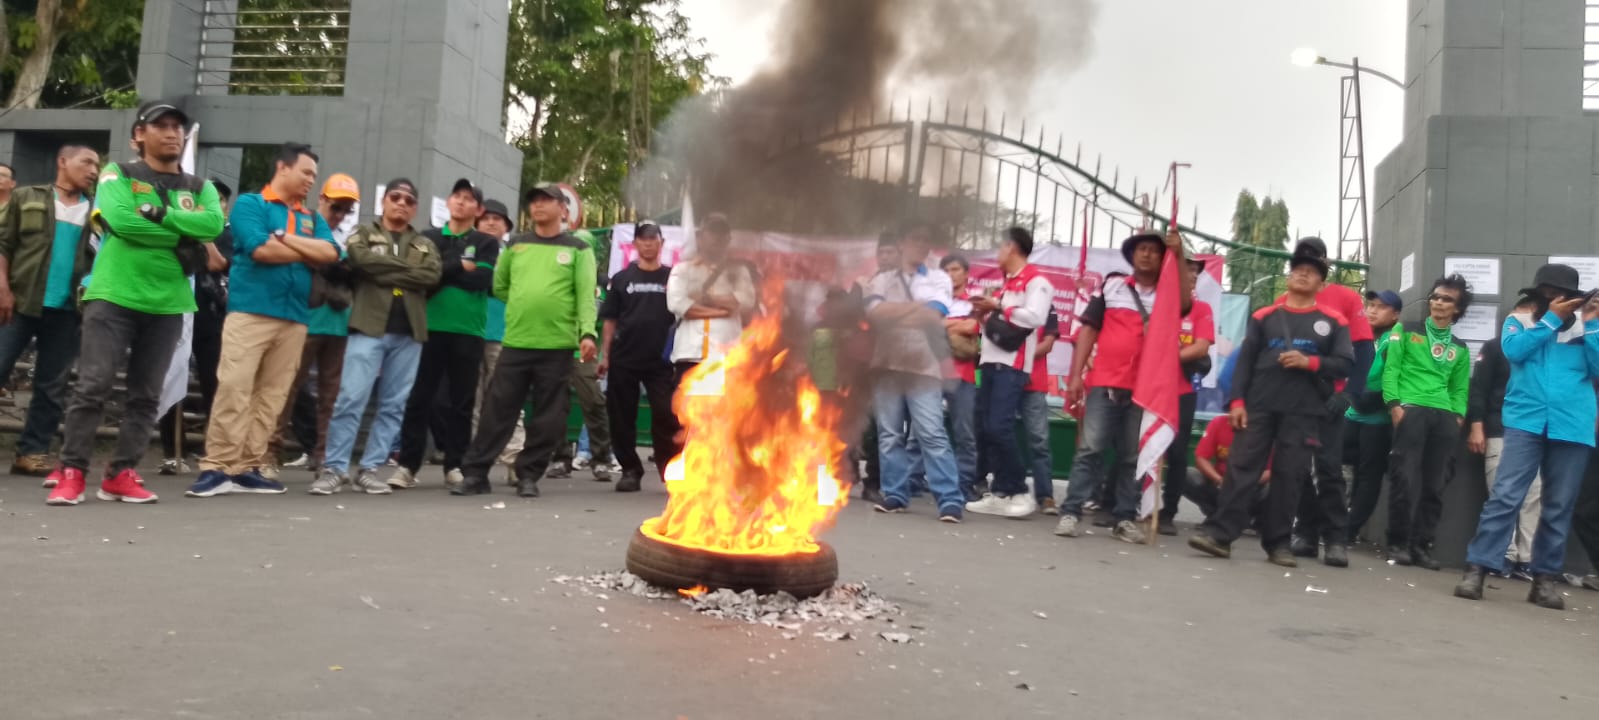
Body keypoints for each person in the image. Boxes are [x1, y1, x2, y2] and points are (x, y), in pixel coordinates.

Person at [46, 101, 225, 505]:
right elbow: (121, 220)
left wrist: (158, 216)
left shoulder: (201, 187)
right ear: (139, 134)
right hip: (113, 295)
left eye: (177, 126)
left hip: (169, 302)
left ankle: (121, 473)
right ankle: (72, 471)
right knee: (92, 386)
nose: (171, 133)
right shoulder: (118, 173)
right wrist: (183, 233)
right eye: (160, 125)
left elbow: (212, 225)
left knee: (147, 395)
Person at [184, 144, 339, 498]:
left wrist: (286, 239)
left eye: (314, 175)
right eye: (306, 173)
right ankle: (218, 465)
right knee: (235, 386)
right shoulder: (251, 204)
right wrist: (306, 250)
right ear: (283, 168)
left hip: (296, 318)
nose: (311, 181)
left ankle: (248, 466)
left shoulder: (312, 217)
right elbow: (258, 248)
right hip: (250, 311)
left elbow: (331, 254)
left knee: (272, 395)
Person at [1187, 250, 1353, 567]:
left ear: (1321, 282)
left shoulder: (1333, 321)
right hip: (1258, 407)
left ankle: (1278, 544)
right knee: (1241, 468)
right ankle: (1220, 536)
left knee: (1290, 476)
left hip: (1304, 411)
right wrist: (1236, 402)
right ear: (1289, 278)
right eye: (1298, 269)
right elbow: (1244, 364)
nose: (1303, 274)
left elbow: (1345, 364)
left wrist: (1311, 362)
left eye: (1311, 271)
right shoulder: (1265, 317)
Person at [1455, 264, 1599, 610]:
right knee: (1505, 495)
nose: (1558, 301)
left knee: (1559, 504)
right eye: (1550, 295)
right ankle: (1478, 569)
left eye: (1565, 297)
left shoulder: (1588, 327)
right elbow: (1514, 352)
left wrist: (1592, 322)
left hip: (1573, 425)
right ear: (1538, 296)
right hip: (1525, 422)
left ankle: (1544, 579)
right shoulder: (1518, 322)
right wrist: (1550, 320)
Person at [453, 184, 597, 498]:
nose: (538, 206)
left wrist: (587, 333)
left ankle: (528, 474)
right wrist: (525, 303)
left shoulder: (578, 249)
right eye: (534, 201)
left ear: (563, 209)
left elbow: (586, 296)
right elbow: (501, 286)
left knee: (549, 417)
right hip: (516, 342)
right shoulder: (517, 245)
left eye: (546, 200)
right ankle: (476, 473)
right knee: (497, 411)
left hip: (557, 346)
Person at [313, 179, 442, 496]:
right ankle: (335, 468)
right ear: (383, 202)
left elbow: (431, 275)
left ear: (415, 208)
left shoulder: (425, 244)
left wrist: (383, 271)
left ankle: (370, 468)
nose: (401, 203)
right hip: (368, 326)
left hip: (410, 332)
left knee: (393, 406)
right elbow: (361, 260)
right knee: (350, 399)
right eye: (395, 197)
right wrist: (406, 271)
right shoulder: (363, 233)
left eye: (408, 200)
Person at [1050, 230, 1181, 539]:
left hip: (1146, 389)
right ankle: (1071, 512)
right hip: (1105, 382)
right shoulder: (1112, 286)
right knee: (1090, 448)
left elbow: (1186, 302)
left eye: (1153, 250)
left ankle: (1124, 517)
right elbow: (1088, 331)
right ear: (1132, 255)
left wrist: (1180, 249)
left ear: (1163, 259)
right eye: (1141, 249)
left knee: (1132, 456)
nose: (1147, 254)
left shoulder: (1170, 294)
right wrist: (1074, 375)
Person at [388, 179, 500, 490]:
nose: (461, 202)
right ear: (449, 202)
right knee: (420, 397)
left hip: (469, 329)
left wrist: (445, 271)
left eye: (469, 199)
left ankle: (455, 463)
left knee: (462, 401)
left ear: (477, 209)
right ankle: (408, 465)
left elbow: (481, 280)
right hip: (428, 327)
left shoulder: (486, 241)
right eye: (457, 197)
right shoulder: (429, 238)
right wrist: (458, 267)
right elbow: (422, 278)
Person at [0, 144, 100, 478]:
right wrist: (2, 288)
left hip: (68, 308)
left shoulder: (98, 211)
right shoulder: (26, 196)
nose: (93, 170)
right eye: (86, 162)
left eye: (97, 165)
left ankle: (31, 453)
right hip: (19, 300)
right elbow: (3, 244)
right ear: (62, 162)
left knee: (51, 385)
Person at [863, 223, 964, 523]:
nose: (921, 245)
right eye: (915, 239)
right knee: (889, 434)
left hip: (924, 367)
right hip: (886, 365)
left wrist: (896, 311)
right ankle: (895, 494)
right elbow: (875, 316)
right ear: (904, 242)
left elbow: (933, 316)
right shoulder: (880, 280)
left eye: (926, 240)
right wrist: (915, 309)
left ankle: (949, 499)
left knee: (932, 433)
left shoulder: (939, 279)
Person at [1281, 238, 1374, 565]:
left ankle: (1335, 538)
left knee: (1329, 468)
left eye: (1313, 261)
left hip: (1330, 397)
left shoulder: (1345, 298)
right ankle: (1305, 532)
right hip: (1293, 399)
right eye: (1301, 261)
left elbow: (1364, 351)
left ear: (1325, 265)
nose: (1306, 267)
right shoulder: (1283, 301)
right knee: (1297, 468)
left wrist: (1349, 394)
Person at [266, 173, 360, 473]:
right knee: (287, 389)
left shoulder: (348, 236)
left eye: (347, 209)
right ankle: (269, 452)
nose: (341, 214)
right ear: (322, 199)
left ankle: (323, 456)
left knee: (331, 397)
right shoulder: (303, 226)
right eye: (337, 207)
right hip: (304, 321)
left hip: (339, 324)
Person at [1379, 274, 1472, 568]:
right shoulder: (1404, 330)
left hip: (1444, 416)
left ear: (1457, 309)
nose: (1439, 302)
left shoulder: (1461, 347)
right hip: (1411, 409)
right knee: (1403, 479)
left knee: (1435, 485)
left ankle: (1422, 546)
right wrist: (1394, 405)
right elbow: (1390, 370)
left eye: (1447, 299)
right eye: (1435, 297)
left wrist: (1458, 417)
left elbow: (1460, 389)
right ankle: (1397, 543)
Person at [967, 227, 1055, 520]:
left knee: (1000, 427)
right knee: (986, 428)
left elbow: (1036, 317)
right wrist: (983, 315)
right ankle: (1001, 492)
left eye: (1000, 247)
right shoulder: (1006, 284)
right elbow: (998, 323)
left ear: (1012, 247)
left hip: (1013, 366)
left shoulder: (1037, 281)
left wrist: (999, 305)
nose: (997, 254)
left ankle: (1018, 490)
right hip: (989, 362)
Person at [156, 178, 233, 476]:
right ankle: (173, 452)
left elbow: (217, 262)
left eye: (219, 201)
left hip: (211, 317)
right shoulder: (175, 224)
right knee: (171, 379)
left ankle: (215, 450)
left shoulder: (227, 233)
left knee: (215, 384)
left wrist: (199, 228)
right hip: (175, 308)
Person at [1466, 294, 1543, 581]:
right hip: (1500, 430)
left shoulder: (1546, 345)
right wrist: (1477, 426)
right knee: (1503, 495)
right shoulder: (1496, 346)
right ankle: (1503, 556)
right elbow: (1479, 391)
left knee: (1534, 496)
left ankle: (1527, 558)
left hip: (1535, 432)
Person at [599, 221, 680, 493]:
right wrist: (605, 355)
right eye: (642, 239)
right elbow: (610, 320)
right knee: (621, 416)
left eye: (652, 239)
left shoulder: (673, 277)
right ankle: (630, 470)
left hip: (661, 361)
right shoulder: (622, 279)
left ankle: (669, 471)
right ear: (634, 244)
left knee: (666, 414)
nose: (647, 243)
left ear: (661, 243)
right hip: (624, 357)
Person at [1157, 257, 1215, 534]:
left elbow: (1201, 348)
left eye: (1195, 272)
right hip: (1153, 388)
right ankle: (1128, 505)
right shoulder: (1158, 304)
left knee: (1178, 452)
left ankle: (1168, 512)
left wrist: (1167, 359)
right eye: (1187, 270)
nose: (1191, 275)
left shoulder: (1201, 309)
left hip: (1183, 390)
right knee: (1140, 444)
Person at [472, 199, 527, 484]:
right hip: (470, 332)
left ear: (507, 227)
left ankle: (514, 460)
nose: (491, 223)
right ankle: (475, 460)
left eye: (498, 219)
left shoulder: (515, 254)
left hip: (503, 334)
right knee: (473, 400)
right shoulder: (468, 249)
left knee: (508, 400)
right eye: (486, 218)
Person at [1343, 290, 1403, 543]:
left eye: (1381, 307)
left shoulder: (1395, 338)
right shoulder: (1358, 336)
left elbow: (1384, 379)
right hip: (1351, 413)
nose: (1372, 310)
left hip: (1377, 420)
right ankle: (1330, 520)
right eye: (1370, 305)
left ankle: (1350, 530)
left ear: (1395, 314)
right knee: (1338, 467)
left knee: (1369, 476)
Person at [939, 253, 982, 503]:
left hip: (963, 374)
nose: (950, 274)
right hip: (934, 372)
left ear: (966, 274)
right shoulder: (936, 301)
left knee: (964, 432)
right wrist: (956, 324)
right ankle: (915, 481)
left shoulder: (974, 302)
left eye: (955, 269)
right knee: (923, 431)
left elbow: (971, 328)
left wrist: (946, 325)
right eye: (945, 270)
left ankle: (964, 485)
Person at [1184, 414, 1270, 517]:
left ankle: (1257, 520)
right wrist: (1219, 480)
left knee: (1275, 487)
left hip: (1252, 487)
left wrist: (1246, 483)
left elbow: (1271, 470)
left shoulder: (1266, 429)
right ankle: (1215, 514)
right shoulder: (1219, 422)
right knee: (1186, 474)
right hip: (1221, 484)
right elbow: (1201, 458)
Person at [1022, 311, 1061, 514]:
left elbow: (1048, 345)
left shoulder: (1046, 308)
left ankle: (1045, 495)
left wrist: (1020, 357)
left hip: (1034, 383)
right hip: (1005, 380)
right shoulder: (1006, 298)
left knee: (1039, 440)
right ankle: (1004, 489)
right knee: (997, 433)